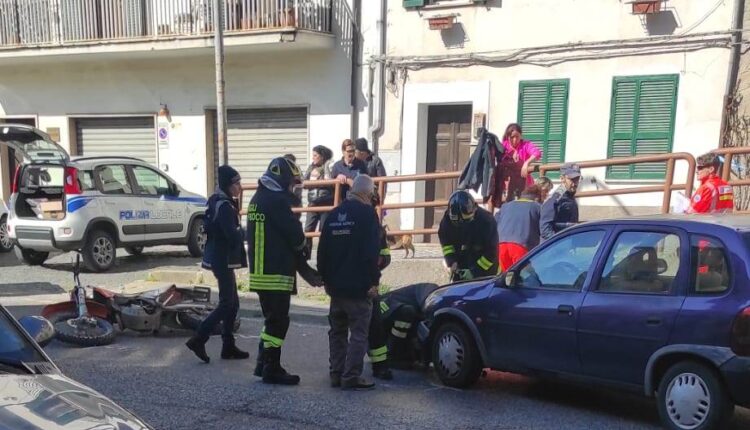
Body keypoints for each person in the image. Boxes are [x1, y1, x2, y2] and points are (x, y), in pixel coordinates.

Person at [246, 157, 312, 385]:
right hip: (275, 273)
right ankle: (272, 368)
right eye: (292, 183)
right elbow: (294, 234)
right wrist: (304, 248)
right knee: (278, 322)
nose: (293, 189)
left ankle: (262, 363)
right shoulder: (276, 201)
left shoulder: (258, 198)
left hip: (260, 273)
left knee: (271, 320)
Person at [318, 175, 381, 390]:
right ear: (367, 193)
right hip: (358, 286)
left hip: (335, 286)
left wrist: (324, 277)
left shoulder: (334, 214)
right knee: (359, 333)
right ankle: (351, 376)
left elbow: (323, 249)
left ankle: (336, 373)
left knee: (337, 331)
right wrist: (374, 281)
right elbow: (371, 252)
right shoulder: (368, 215)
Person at [186, 165, 248, 363]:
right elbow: (231, 235)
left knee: (233, 303)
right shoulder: (225, 206)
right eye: (236, 183)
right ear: (227, 185)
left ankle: (228, 345)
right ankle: (199, 338)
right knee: (227, 303)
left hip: (220, 258)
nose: (239, 187)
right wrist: (246, 232)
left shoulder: (218, 201)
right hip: (222, 259)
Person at [439, 190, 499, 282]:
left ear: (474, 210)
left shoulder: (486, 221)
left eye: (467, 220)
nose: (463, 225)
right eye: (457, 223)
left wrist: (474, 272)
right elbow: (446, 244)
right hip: (461, 266)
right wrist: (452, 261)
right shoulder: (447, 221)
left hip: (485, 271)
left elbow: (492, 252)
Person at [376, 283, 440, 368]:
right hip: (382, 315)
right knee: (407, 312)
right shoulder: (430, 292)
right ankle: (393, 355)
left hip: (387, 323)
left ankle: (404, 354)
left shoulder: (431, 294)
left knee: (412, 317)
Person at [495, 185, 542, 272]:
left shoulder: (506, 206)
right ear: (537, 197)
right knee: (525, 276)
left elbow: (495, 221)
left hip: (501, 245)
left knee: (507, 276)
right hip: (521, 246)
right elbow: (543, 228)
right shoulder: (537, 207)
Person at [303, 145, 335, 256]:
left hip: (326, 202)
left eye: (315, 155)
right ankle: (305, 256)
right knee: (308, 229)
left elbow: (330, 181)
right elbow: (304, 182)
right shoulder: (311, 167)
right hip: (313, 202)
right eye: (313, 155)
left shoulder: (329, 165)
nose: (313, 157)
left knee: (323, 230)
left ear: (322, 156)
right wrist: (311, 180)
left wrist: (322, 176)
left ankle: (322, 256)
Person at [500, 123, 542, 201]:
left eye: (517, 137)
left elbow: (537, 153)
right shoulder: (503, 146)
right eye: (512, 137)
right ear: (507, 136)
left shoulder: (526, 145)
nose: (515, 140)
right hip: (508, 186)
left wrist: (526, 163)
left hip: (525, 185)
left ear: (521, 135)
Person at [540, 163, 581, 241]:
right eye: (571, 179)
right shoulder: (556, 199)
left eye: (577, 179)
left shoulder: (570, 196)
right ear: (562, 179)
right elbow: (545, 229)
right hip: (557, 245)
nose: (575, 183)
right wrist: (559, 243)